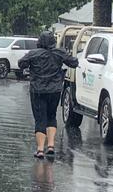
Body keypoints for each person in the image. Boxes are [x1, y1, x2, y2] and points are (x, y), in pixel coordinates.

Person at [18, 31, 79, 159]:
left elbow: (21, 63)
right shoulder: (59, 53)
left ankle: (40, 149)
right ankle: (51, 146)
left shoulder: (33, 54)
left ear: (39, 41)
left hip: (38, 91)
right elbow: (73, 62)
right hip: (55, 91)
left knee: (40, 119)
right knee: (51, 117)